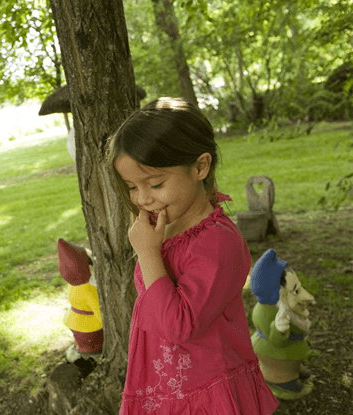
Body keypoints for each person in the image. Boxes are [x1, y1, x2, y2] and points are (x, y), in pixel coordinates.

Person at [109, 97, 278, 414]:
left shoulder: (217, 243)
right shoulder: (166, 229)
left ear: (200, 166)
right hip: (168, 386)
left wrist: (147, 254)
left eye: (156, 183)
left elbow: (180, 326)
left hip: (207, 390)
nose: (143, 198)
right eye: (131, 186)